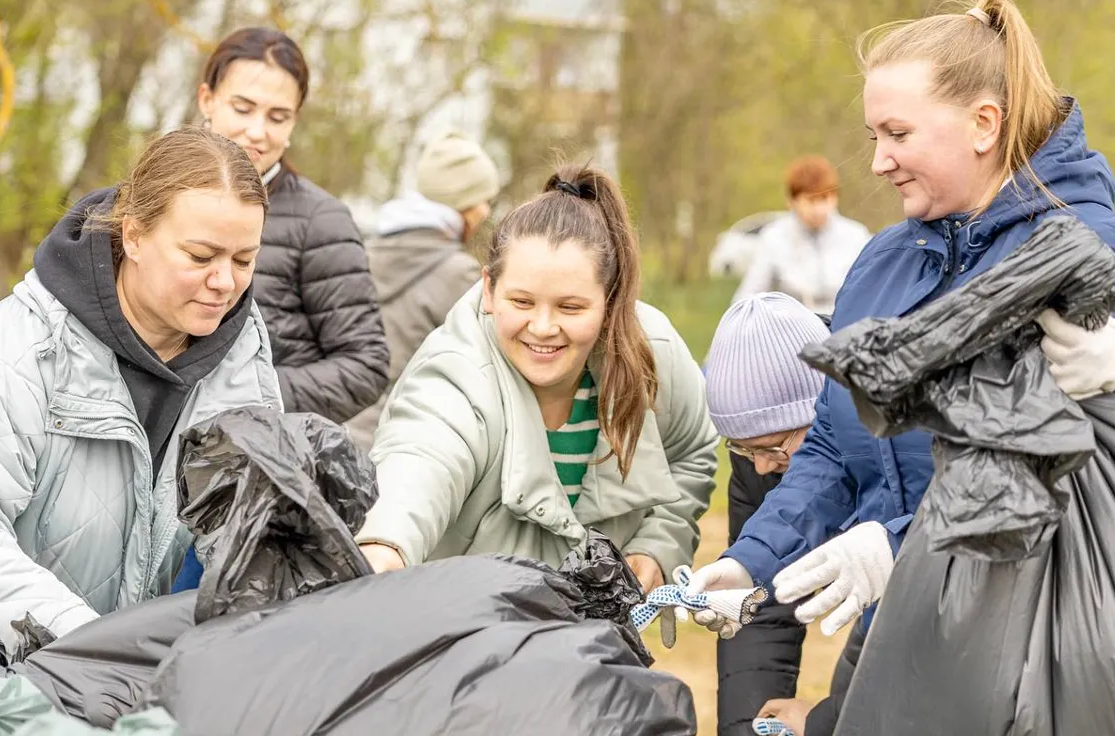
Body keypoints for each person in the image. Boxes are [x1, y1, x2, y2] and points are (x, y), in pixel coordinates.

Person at [688, 0, 1115, 736]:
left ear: (984, 124)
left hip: (1033, 656)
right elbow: (828, 441)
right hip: (905, 635)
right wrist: (750, 557)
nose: (877, 160)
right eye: (872, 134)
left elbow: (1030, 470)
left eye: (898, 133)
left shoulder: (1072, 257)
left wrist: (892, 548)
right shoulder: (884, 261)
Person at [0, 128, 282, 650]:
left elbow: (244, 538)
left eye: (244, 260)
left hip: (143, 686)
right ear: (132, 236)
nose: (225, 281)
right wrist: (95, 645)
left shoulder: (248, 359)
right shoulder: (17, 351)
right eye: (201, 256)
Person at [354, 164, 718, 594]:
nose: (542, 327)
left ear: (611, 299)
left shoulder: (652, 353)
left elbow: (692, 451)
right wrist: (385, 546)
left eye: (570, 308)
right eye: (522, 301)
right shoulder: (457, 371)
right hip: (465, 637)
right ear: (488, 289)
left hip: (597, 645)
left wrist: (658, 543)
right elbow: (422, 455)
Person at [198, 27, 388, 421]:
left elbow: (365, 365)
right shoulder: (152, 195)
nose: (257, 132)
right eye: (243, 108)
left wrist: (239, 397)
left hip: (258, 459)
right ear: (208, 99)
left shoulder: (321, 221)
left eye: (278, 117)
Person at [704, 293, 860, 736]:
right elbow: (762, 605)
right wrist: (748, 728)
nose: (760, 467)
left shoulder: (903, 440)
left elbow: (927, 638)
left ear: (824, 411)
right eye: (742, 449)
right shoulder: (767, 450)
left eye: (772, 448)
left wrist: (826, 723)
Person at [346, 132, 499, 452]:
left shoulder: (361, 253)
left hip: (335, 431)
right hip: (398, 443)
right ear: (464, 205)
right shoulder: (461, 276)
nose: (485, 210)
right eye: (481, 199)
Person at [732, 156, 872, 316]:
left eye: (825, 198)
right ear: (791, 201)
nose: (819, 208)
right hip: (792, 333)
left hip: (847, 331)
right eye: (811, 200)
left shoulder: (857, 236)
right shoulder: (773, 238)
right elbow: (745, 299)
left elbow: (873, 291)